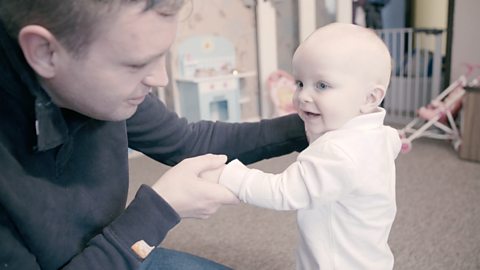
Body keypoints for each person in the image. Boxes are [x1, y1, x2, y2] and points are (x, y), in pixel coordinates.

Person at [0, 0, 308, 269]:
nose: (160, 79)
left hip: (117, 253)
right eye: (136, 64)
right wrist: (159, 210)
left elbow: (189, 142)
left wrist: (307, 125)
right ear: (44, 51)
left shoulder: (101, 89)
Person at [205, 23, 402, 270]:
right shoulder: (379, 134)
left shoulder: (338, 152)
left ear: (370, 98)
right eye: (299, 83)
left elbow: (283, 192)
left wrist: (228, 174)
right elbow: (393, 140)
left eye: (321, 85)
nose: (303, 96)